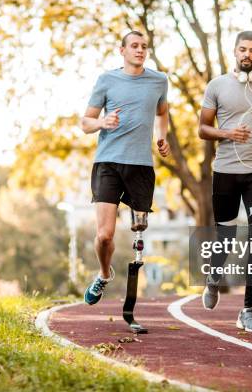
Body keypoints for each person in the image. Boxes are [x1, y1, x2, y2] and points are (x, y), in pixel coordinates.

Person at [198, 30, 252, 332]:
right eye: (242, 50)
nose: (247, 55)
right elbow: (202, 128)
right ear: (234, 52)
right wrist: (227, 134)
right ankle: (213, 279)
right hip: (225, 172)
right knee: (225, 240)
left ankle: (248, 309)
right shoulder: (217, 86)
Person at [80, 30, 170, 305]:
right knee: (104, 235)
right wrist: (102, 123)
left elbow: (162, 111)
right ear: (122, 50)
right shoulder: (107, 80)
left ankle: (138, 231)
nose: (140, 50)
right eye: (134, 46)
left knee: (139, 226)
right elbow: (85, 122)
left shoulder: (159, 80)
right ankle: (104, 274)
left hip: (141, 165)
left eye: (144, 46)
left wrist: (161, 137)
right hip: (108, 162)